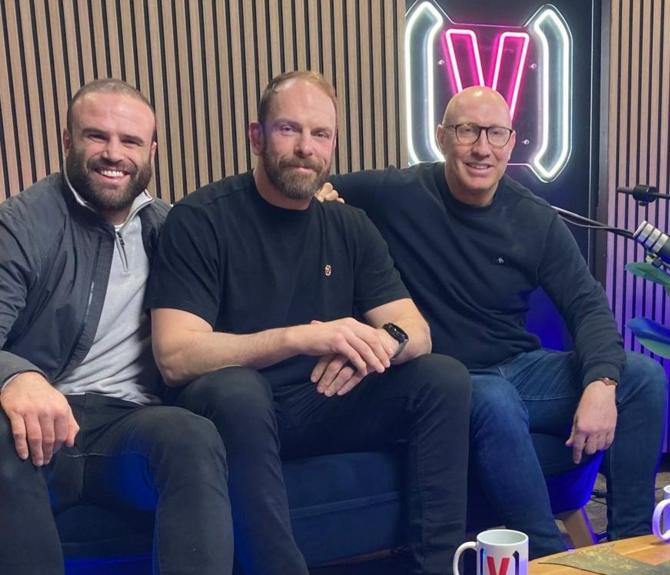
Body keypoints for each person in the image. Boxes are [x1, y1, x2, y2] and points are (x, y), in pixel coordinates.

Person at [147, 71, 472, 575]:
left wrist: (379, 346)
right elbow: (174, 355)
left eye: (320, 134)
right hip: (235, 410)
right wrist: (302, 337)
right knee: (238, 391)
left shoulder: (350, 225)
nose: (305, 148)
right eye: (288, 130)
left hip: (322, 400)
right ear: (256, 136)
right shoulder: (201, 219)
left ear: (333, 145)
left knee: (443, 377)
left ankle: (437, 566)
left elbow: (416, 330)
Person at [332, 86, 667, 557]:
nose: (481, 148)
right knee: (493, 397)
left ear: (511, 142)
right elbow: (317, 189)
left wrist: (602, 383)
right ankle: (551, 559)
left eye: (495, 133)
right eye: (467, 131)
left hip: (519, 367)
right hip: (445, 379)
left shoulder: (534, 217)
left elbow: (588, 306)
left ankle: (631, 549)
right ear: (442, 138)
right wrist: (325, 198)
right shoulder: (397, 192)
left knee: (644, 378)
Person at [0, 79, 233, 574]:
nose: (113, 154)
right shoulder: (22, 224)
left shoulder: (171, 228)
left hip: (127, 425)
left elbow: (245, 265)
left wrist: (318, 210)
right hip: (43, 423)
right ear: (67, 141)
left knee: (191, 436)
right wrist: (15, 376)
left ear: (151, 151)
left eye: (129, 141)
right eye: (95, 136)